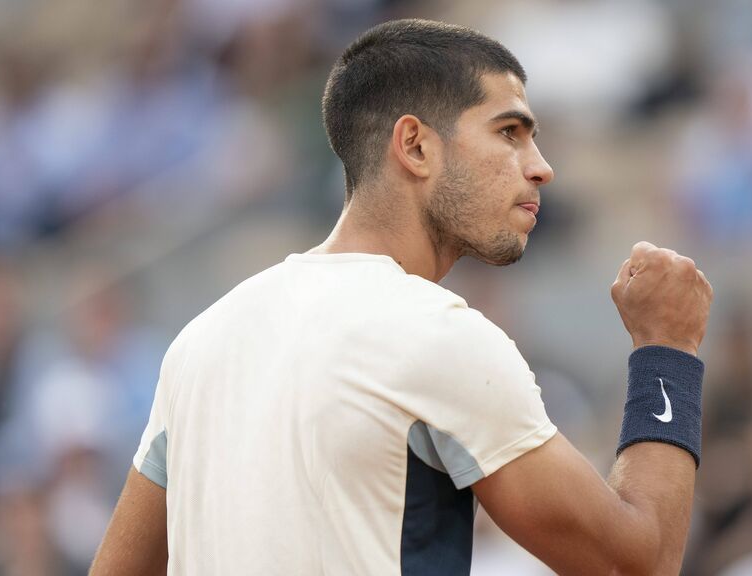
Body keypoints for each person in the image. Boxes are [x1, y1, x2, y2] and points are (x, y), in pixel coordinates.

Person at [90, 18, 712, 575]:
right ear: (415, 145)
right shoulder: (436, 335)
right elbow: (638, 563)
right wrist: (667, 350)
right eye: (510, 132)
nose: (541, 166)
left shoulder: (202, 341)